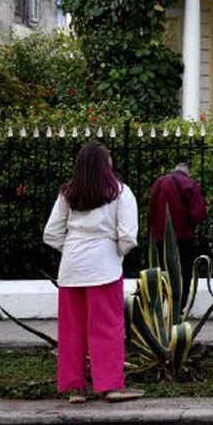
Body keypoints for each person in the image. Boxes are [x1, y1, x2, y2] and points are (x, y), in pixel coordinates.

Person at [43, 143, 143, 403]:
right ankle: (110, 386)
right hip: (104, 266)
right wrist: (115, 253)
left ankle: (76, 389)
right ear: (105, 164)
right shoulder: (120, 192)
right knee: (107, 327)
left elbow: (51, 234)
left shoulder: (68, 193)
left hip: (72, 267)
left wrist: (73, 248)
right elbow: (128, 236)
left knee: (72, 330)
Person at [146, 162, 207, 309]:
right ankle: (179, 306)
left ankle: (160, 305)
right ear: (187, 172)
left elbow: (150, 209)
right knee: (184, 272)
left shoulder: (158, 183)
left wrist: (150, 231)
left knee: (162, 270)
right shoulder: (190, 184)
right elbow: (198, 214)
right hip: (183, 235)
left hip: (160, 235)